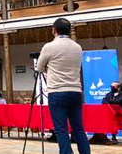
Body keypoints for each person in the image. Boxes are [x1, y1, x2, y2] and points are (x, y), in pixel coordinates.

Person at [36, 18, 90, 154]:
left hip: (57, 91)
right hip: (75, 90)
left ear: (54, 29)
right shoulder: (77, 47)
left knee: (61, 129)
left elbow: (39, 67)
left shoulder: (49, 46)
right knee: (78, 128)